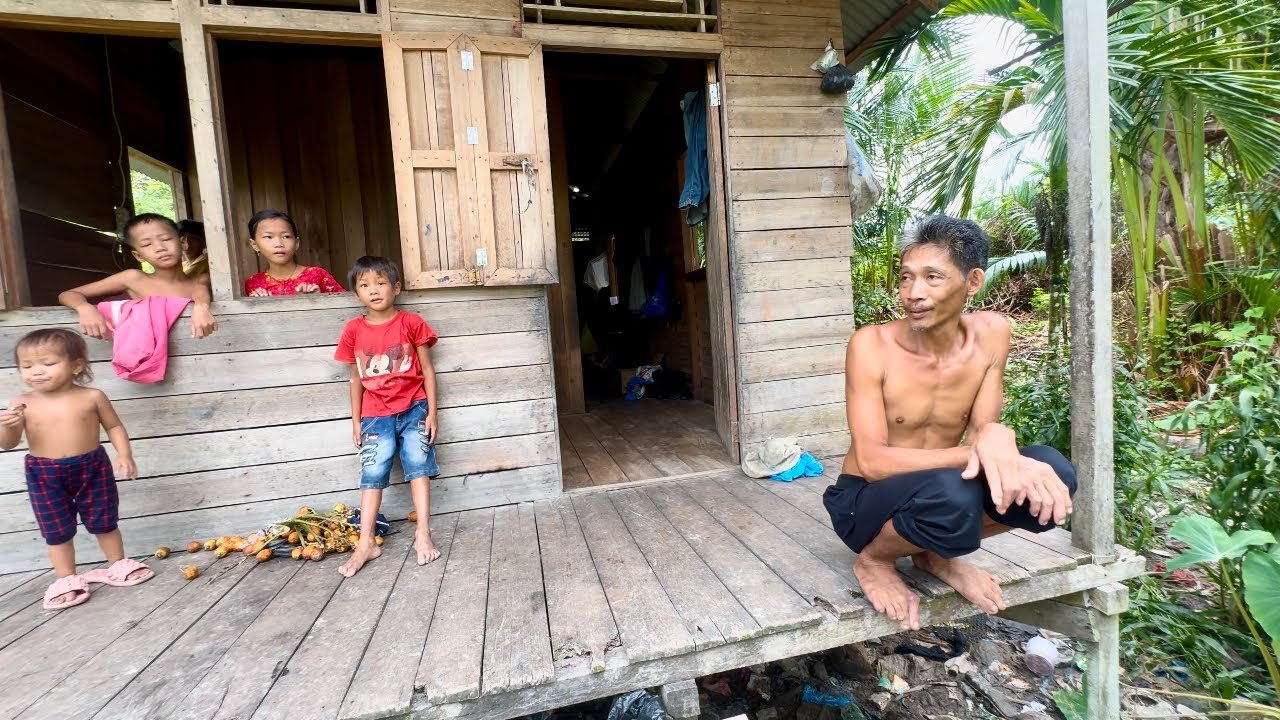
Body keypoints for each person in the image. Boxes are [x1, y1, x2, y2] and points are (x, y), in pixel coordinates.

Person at [825, 215, 1076, 631]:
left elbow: (983, 430)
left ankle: (932, 553)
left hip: (941, 488)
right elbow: (870, 461)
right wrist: (991, 451)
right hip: (863, 503)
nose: (913, 293)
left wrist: (998, 439)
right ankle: (875, 560)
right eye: (906, 278)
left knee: (1055, 474)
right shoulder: (871, 345)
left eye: (932, 278)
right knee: (952, 494)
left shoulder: (993, 333)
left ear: (972, 281)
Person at [0, 329, 153, 610]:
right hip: (44, 473)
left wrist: (125, 454)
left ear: (76, 365)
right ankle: (66, 578)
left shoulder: (92, 396)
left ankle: (117, 564)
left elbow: (114, 426)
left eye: (47, 363)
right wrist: (6, 427)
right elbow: (8, 444)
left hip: (91, 466)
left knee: (103, 518)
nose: (37, 372)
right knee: (56, 529)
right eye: (27, 366)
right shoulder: (22, 403)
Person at [333, 256, 440, 577]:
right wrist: (355, 420)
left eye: (381, 283)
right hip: (374, 415)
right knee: (372, 472)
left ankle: (423, 533)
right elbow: (355, 378)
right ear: (356, 294)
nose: (374, 290)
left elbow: (428, 370)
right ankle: (366, 542)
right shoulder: (353, 329)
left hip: (415, 408)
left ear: (396, 287)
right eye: (364, 285)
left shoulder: (411, 323)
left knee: (418, 466)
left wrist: (432, 412)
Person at [58, 213, 218, 339]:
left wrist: (201, 307)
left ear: (183, 243)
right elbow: (68, 294)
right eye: (147, 244)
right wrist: (84, 308)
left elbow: (201, 290)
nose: (160, 247)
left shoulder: (199, 279)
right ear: (138, 255)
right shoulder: (134, 278)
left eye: (166, 239)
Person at [243, 210, 344, 296]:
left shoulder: (317, 275)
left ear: (296, 243)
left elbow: (347, 308)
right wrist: (258, 304)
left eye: (286, 236)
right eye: (269, 237)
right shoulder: (253, 284)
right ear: (255, 245)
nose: (279, 244)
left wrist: (318, 299)